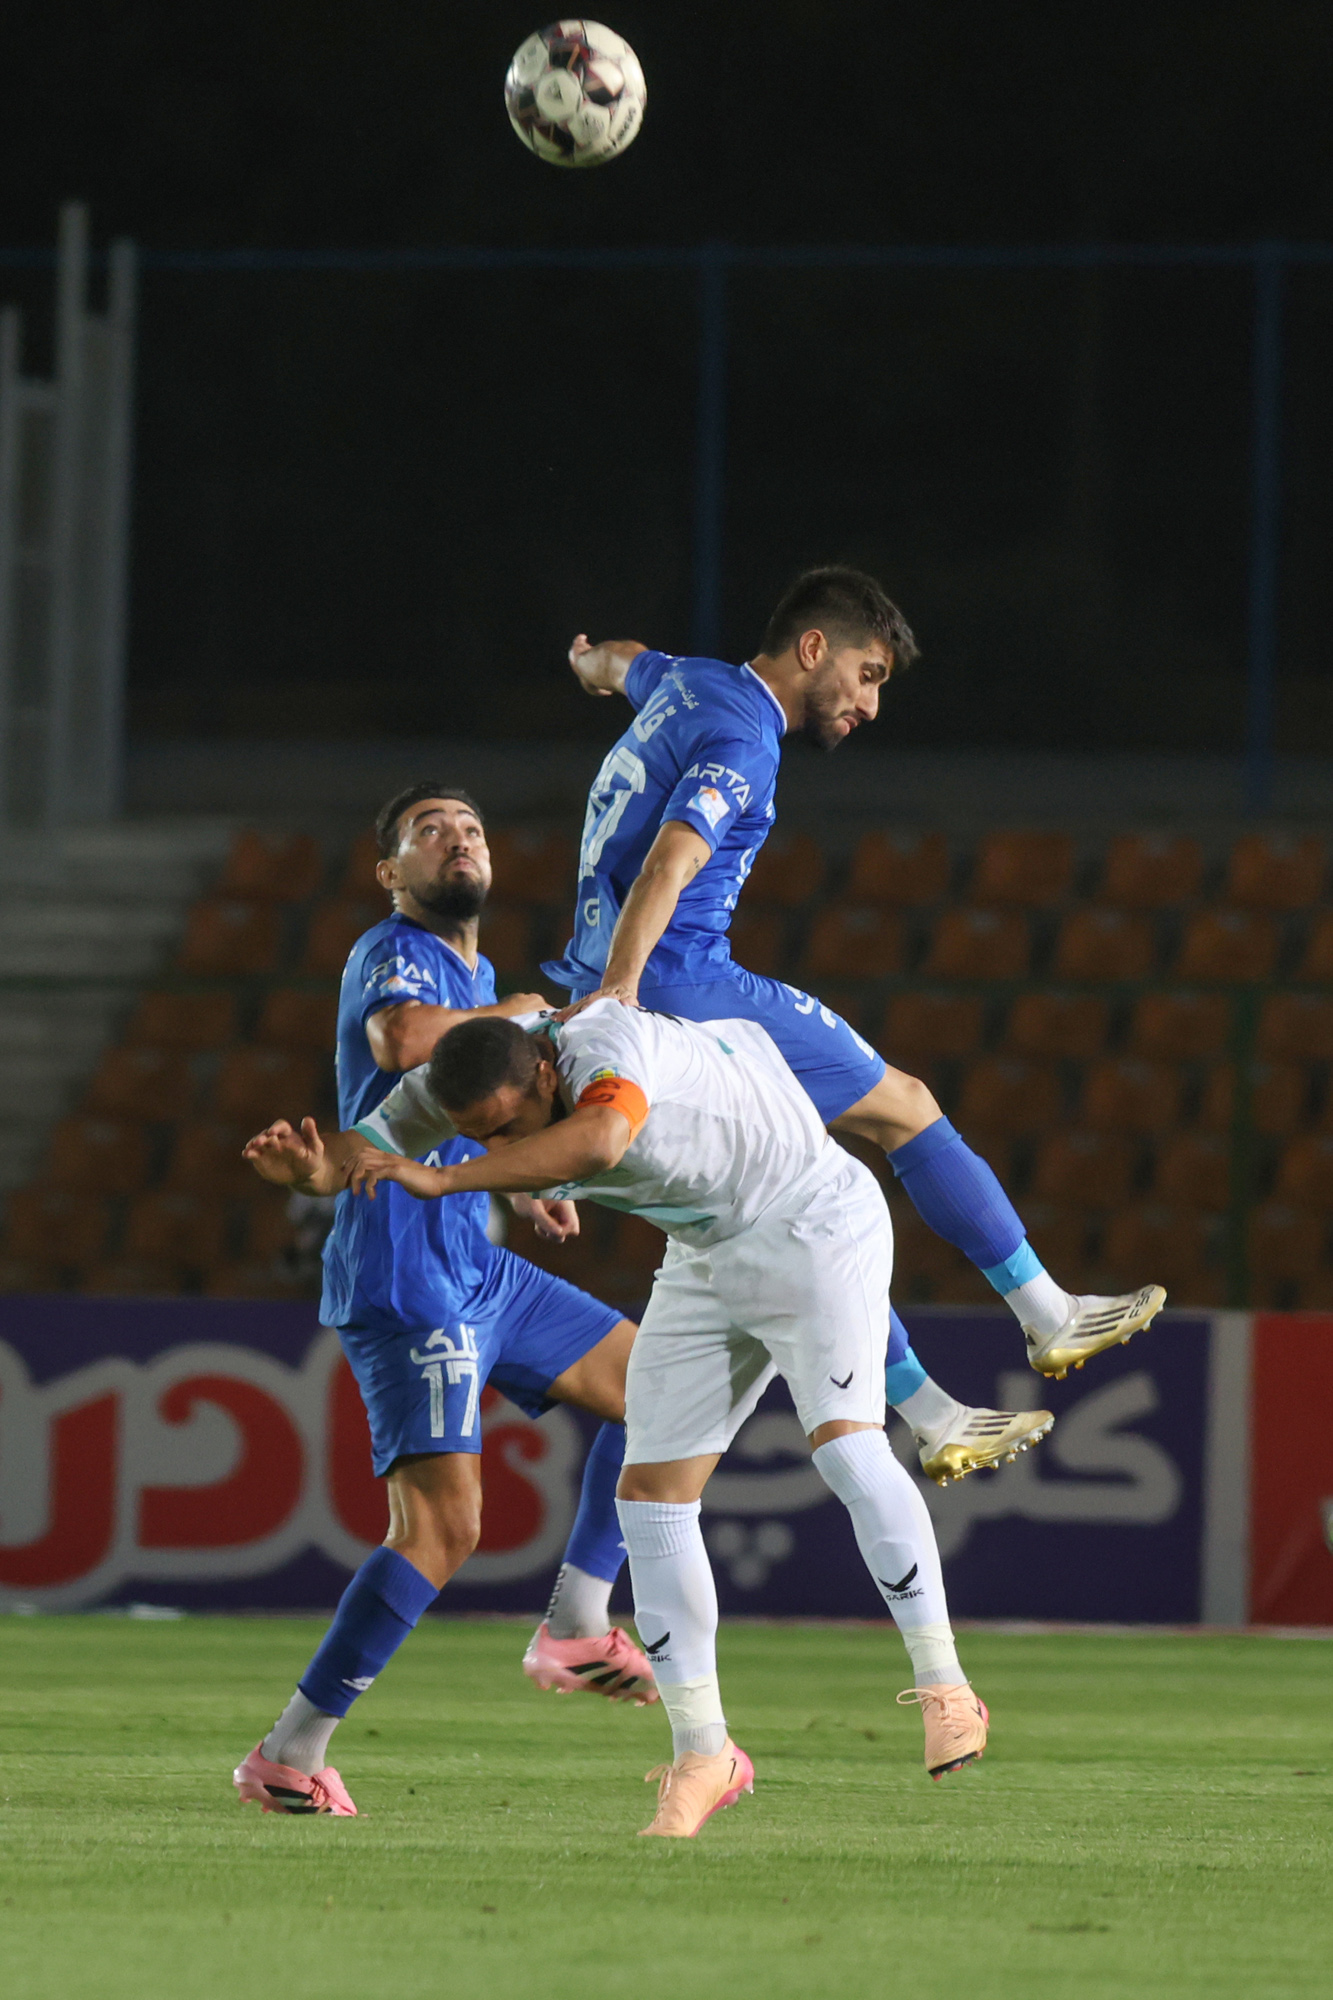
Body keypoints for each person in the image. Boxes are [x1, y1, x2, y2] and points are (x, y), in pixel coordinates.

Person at [541, 566, 1165, 1470]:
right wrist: (623, 997)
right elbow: (670, 863)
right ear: (811, 649)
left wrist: (587, 662)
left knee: (787, 1207)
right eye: (866, 675)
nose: (870, 705)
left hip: (598, 977)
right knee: (904, 1107)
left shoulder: (685, 681)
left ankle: (934, 1414)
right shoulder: (743, 735)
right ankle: (1047, 1313)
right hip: (680, 986)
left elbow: (624, 662)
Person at [339, 999, 990, 1837]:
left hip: (812, 1220)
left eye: (506, 1128)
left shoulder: (604, 1047)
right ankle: (703, 1754)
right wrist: (306, 1164)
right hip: (705, 1251)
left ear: (546, 1073)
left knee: (845, 1449)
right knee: (648, 1501)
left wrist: (446, 1178)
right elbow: (357, 1154)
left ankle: (944, 1686)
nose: (495, 1146)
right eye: (475, 1136)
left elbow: (600, 1140)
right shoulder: (454, 1084)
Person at [232, 785, 657, 1819]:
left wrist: (522, 1175)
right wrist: (523, 1014)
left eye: (470, 828)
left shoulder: (475, 973)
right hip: (407, 1268)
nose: (456, 839)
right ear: (391, 872)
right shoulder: (398, 951)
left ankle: (576, 1618)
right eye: (430, 831)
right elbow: (404, 1041)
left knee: (658, 1389)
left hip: (475, 1257)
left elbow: (454, 1108)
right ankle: (288, 1753)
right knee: (440, 1529)